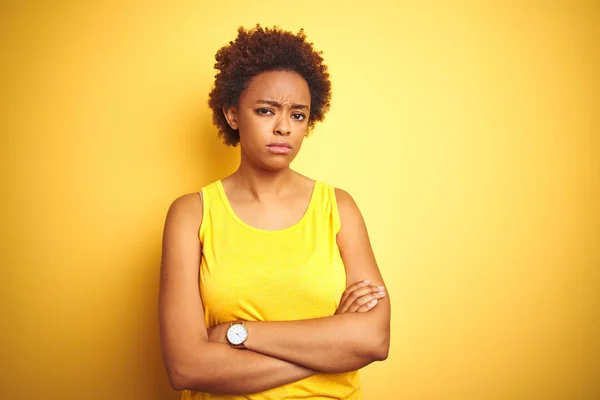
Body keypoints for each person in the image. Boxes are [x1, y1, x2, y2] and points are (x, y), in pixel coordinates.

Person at [159, 25, 390, 400]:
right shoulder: (192, 214)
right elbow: (186, 366)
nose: (283, 127)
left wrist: (239, 334)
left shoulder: (338, 207)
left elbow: (375, 340)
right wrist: (332, 346)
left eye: (298, 115)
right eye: (266, 111)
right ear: (233, 115)